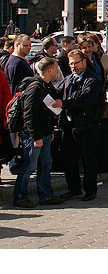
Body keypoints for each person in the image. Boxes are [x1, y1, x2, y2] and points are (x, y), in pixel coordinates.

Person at [12, 57, 64, 208]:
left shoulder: (46, 86)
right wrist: (36, 137)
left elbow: (46, 111)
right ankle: (20, 196)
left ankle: (46, 194)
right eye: (55, 69)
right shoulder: (35, 88)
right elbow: (29, 115)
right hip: (33, 135)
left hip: (44, 133)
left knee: (46, 164)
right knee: (29, 165)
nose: (57, 72)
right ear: (49, 70)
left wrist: (49, 131)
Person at [60, 49, 104, 202]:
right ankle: (73, 188)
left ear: (84, 62)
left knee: (88, 159)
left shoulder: (91, 80)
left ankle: (90, 190)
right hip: (69, 125)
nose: (73, 66)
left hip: (86, 126)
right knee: (69, 159)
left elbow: (85, 100)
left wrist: (65, 103)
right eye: (71, 64)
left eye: (76, 63)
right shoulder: (67, 79)